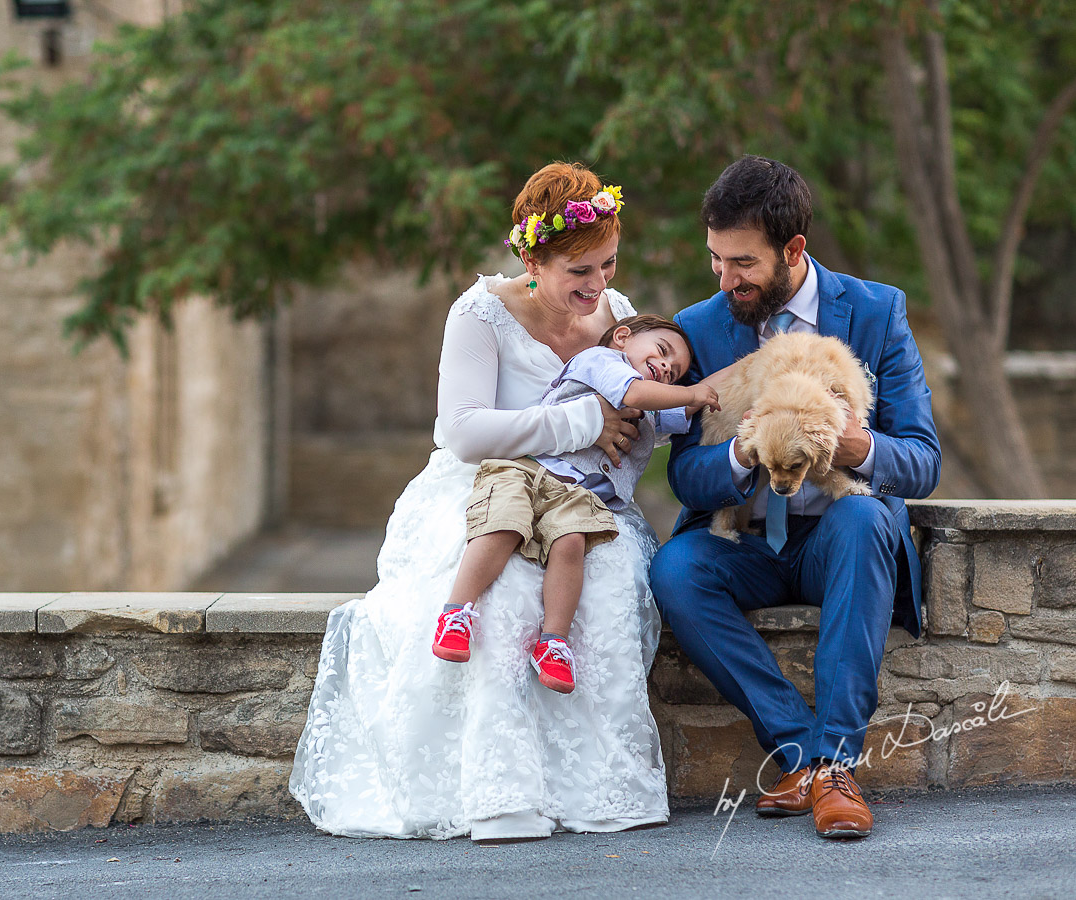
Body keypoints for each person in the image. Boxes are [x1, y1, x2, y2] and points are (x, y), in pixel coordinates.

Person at [291, 162, 671, 841]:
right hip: (485, 483)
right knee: (499, 600)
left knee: (606, 587)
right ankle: (501, 795)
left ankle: (599, 790)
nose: (597, 286)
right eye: (578, 273)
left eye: (607, 266)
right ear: (532, 259)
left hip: (578, 497)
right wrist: (582, 422)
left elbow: (639, 410)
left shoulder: (616, 317)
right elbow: (462, 432)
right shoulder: (479, 313)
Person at [650, 155, 941, 839]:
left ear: (794, 249)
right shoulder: (702, 323)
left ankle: (833, 761)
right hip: (746, 540)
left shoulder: (876, 312)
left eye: (742, 264)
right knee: (675, 570)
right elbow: (684, 477)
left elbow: (924, 461)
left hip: (837, 537)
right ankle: (807, 756)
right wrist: (738, 454)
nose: (726, 281)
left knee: (868, 516)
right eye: (716, 261)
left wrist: (857, 448)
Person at [434, 315, 720, 696]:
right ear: (621, 338)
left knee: (570, 544)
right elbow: (636, 395)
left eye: (676, 373)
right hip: (528, 468)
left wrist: (741, 374)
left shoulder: (653, 405)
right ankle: (456, 611)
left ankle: (553, 640)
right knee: (503, 523)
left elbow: (682, 410)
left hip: (578, 495)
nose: (667, 369)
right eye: (663, 353)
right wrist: (691, 392)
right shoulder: (602, 362)